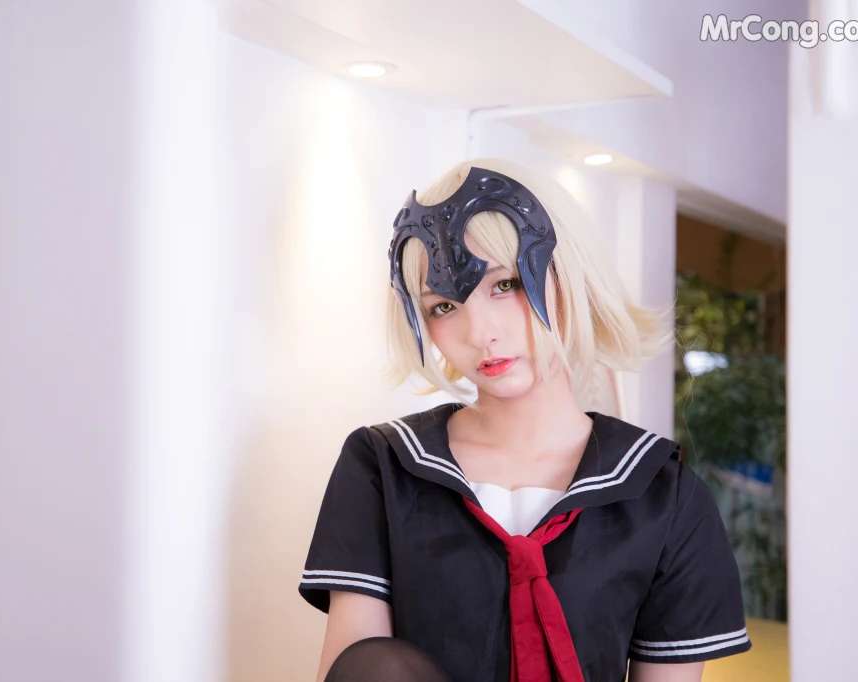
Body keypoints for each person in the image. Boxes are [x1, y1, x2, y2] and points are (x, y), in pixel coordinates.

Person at [298, 158, 752, 682]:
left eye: (506, 284)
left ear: (570, 275)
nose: (480, 333)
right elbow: (360, 668)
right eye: (443, 306)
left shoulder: (662, 493)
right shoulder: (384, 467)